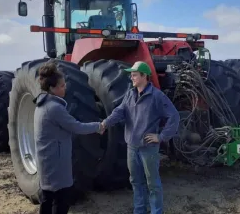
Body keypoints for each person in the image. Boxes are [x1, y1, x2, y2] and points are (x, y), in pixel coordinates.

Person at [101, 61, 180, 214]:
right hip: (132, 147)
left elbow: (174, 116)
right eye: (131, 75)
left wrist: (161, 136)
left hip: (148, 149)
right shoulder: (130, 94)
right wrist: (105, 123)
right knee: (136, 181)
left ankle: (156, 212)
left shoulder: (157, 96)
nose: (131, 77)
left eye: (135, 75)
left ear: (144, 76)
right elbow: (120, 111)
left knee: (153, 184)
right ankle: (139, 211)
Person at [34, 61, 105, 214]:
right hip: (56, 162)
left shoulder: (41, 104)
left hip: (47, 159)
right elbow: (76, 127)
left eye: (64, 85)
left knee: (47, 197)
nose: (64, 88)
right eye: (61, 86)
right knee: (61, 200)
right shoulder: (54, 108)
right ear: (52, 88)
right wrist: (98, 126)